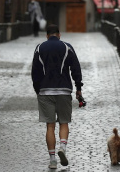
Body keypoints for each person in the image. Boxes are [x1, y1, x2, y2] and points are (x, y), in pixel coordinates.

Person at [31, 24, 83, 169]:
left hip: (45, 91)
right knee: (64, 122)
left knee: (50, 125)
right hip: (64, 90)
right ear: (59, 35)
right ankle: (63, 148)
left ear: (47, 35)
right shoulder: (67, 47)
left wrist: (38, 89)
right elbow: (76, 69)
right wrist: (78, 88)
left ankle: (53, 159)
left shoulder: (39, 48)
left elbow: (35, 71)